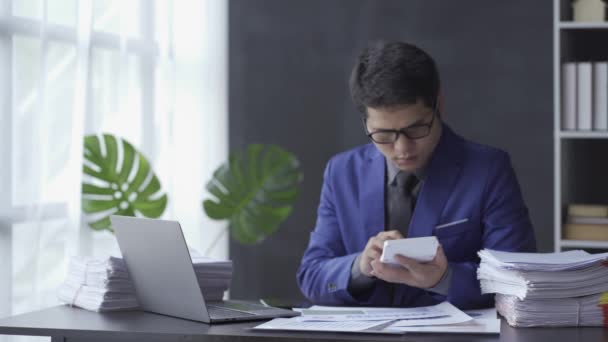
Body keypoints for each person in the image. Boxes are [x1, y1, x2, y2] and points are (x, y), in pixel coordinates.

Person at [296, 41, 536, 309]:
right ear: (365, 121)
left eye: (416, 129)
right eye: (384, 135)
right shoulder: (342, 172)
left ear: (439, 105)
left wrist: (444, 278)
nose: (402, 149)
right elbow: (312, 275)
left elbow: (518, 278)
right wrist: (359, 267)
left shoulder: (488, 170)